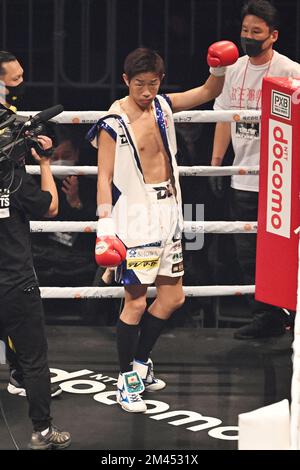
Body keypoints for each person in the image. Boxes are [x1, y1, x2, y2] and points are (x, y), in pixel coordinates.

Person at [88, 44, 239, 412]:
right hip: (136, 220)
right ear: (126, 81)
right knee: (136, 302)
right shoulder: (114, 122)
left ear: (160, 80)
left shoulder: (163, 105)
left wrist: (217, 69)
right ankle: (126, 381)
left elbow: (208, 93)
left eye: (152, 83)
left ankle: (140, 363)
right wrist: (104, 226)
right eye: (139, 84)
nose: (146, 91)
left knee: (174, 298)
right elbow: (104, 177)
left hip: (169, 210)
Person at [211, 0, 300, 339]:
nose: (248, 37)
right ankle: (266, 317)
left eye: (256, 32)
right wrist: (216, 163)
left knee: (282, 252)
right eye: (245, 31)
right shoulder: (233, 68)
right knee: (247, 254)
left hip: (281, 178)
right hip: (243, 175)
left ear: (273, 35)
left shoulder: (290, 71)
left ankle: (284, 314)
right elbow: (220, 116)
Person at [0, 50, 62, 398]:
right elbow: (51, 206)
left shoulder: (12, 116)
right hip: (13, 252)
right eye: (15, 78)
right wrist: (45, 163)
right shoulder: (17, 179)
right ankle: (28, 384)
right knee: (20, 314)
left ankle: (19, 374)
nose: (21, 82)